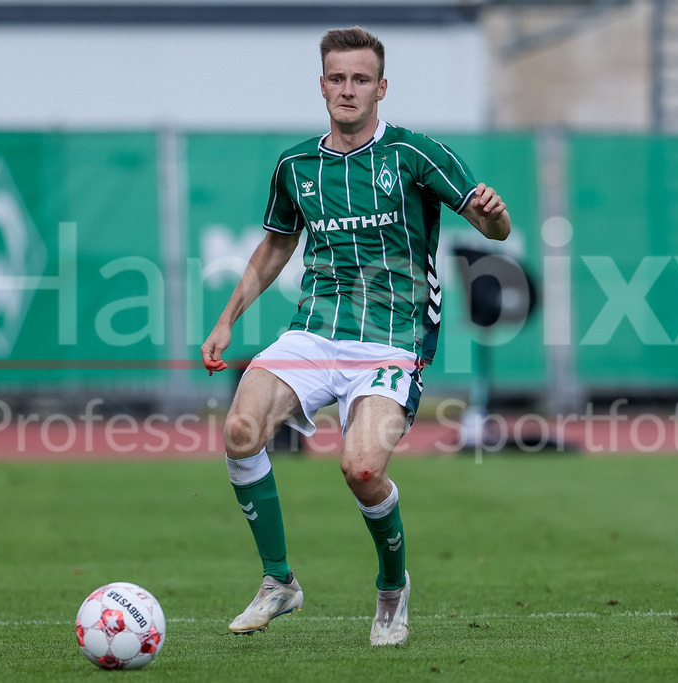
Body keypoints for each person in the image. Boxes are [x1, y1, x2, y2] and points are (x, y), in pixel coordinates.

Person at [200, 25, 511, 647]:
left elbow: (488, 223)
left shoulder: (414, 155)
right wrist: (228, 316)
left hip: (394, 341)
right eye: (337, 79)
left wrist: (496, 219)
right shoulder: (296, 166)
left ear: (381, 87)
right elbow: (277, 245)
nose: (348, 90)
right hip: (315, 332)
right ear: (322, 86)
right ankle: (279, 580)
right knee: (239, 431)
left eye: (361, 79)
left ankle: (392, 589)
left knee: (362, 468)